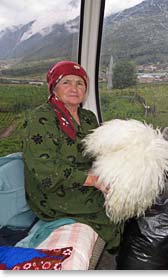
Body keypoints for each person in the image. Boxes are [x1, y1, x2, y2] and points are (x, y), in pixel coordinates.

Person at [22, 60, 123, 252]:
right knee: (108, 208)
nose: (74, 88)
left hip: (86, 180)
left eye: (80, 83)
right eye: (66, 82)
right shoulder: (40, 119)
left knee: (127, 196)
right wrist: (93, 180)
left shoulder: (88, 117)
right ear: (54, 87)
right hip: (53, 192)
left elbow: (99, 152)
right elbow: (46, 171)